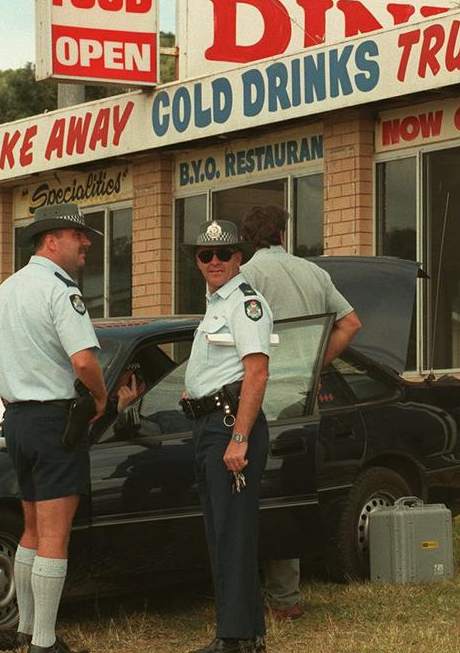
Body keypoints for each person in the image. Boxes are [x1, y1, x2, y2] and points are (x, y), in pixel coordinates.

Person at [0, 203, 109, 653]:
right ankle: (44, 642)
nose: (88, 243)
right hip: (54, 419)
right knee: (55, 535)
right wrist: (99, 397)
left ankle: (23, 630)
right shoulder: (62, 291)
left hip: (16, 418)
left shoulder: (6, 289)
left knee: (32, 530)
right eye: (79, 236)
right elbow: (83, 360)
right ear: (52, 240)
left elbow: (3, 360)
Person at [239, 204, 362, 621]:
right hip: (305, 394)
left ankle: (261, 594)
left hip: (264, 393)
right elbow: (351, 324)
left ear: (246, 239)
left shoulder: (248, 276)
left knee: (258, 491)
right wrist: (316, 363)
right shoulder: (315, 273)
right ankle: (286, 597)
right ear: (282, 234)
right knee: (290, 488)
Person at [182, 219, 272, 653]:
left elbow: (257, 372)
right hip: (210, 424)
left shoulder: (246, 303)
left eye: (223, 254)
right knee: (223, 534)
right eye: (205, 255)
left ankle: (233, 639)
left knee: (232, 535)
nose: (214, 261)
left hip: (230, 426)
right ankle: (246, 634)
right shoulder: (216, 304)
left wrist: (240, 438)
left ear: (240, 257)